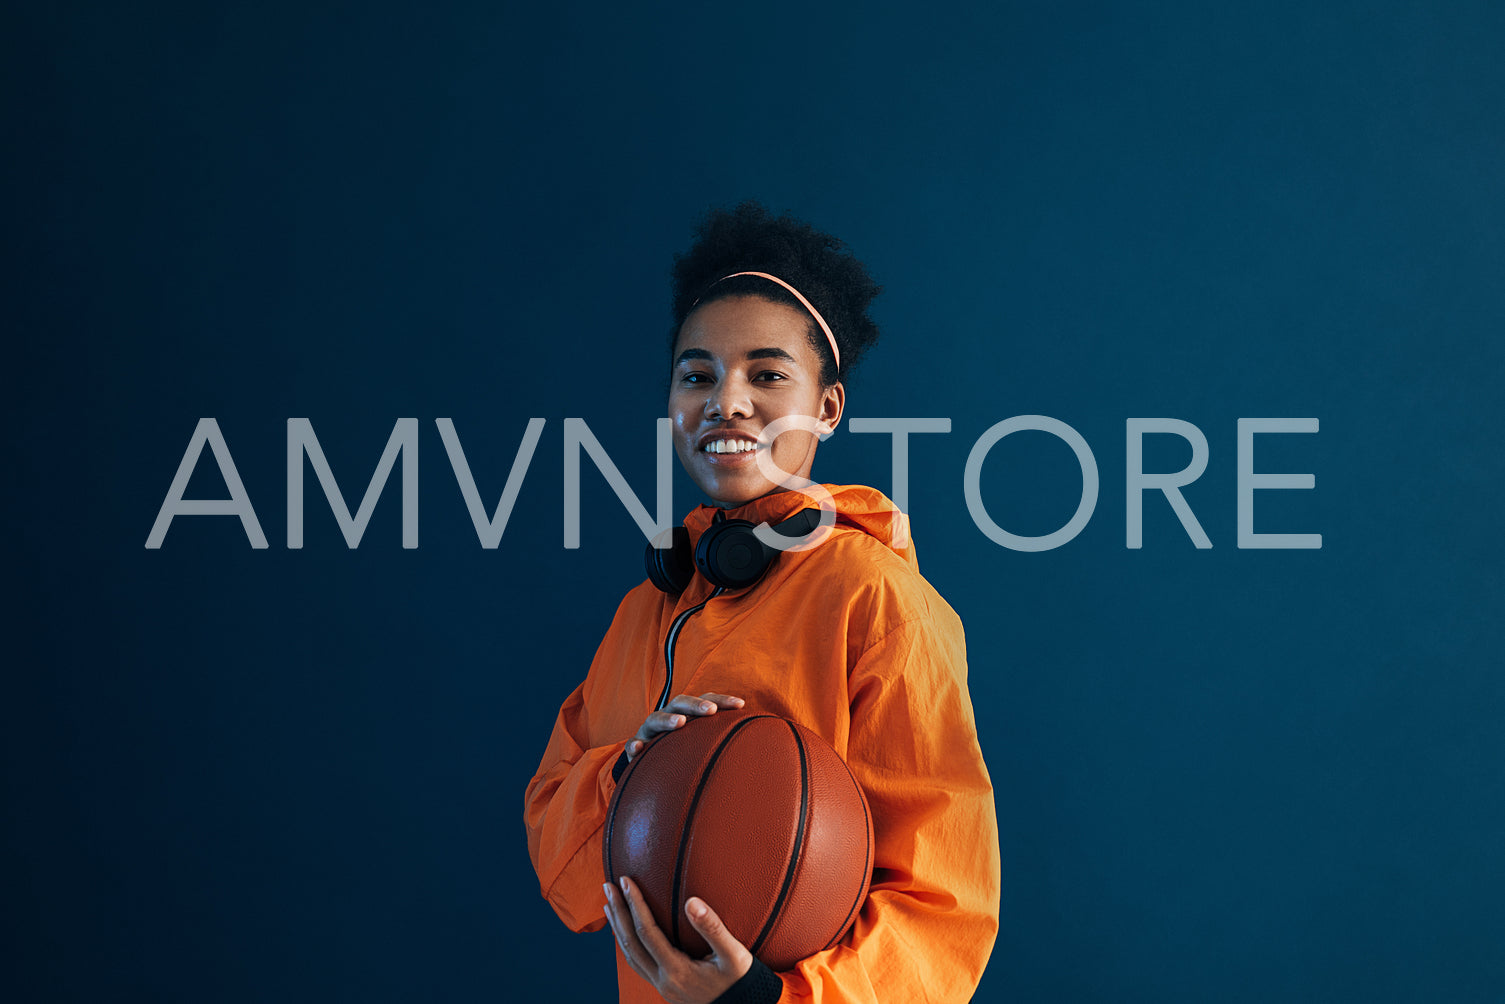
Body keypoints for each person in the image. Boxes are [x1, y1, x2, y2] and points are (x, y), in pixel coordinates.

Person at [524, 201, 1000, 1004]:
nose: (727, 402)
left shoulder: (878, 601)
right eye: (697, 374)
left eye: (768, 375)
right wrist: (626, 776)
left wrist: (769, 1000)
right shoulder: (647, 608)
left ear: (827, 408)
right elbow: (559, 861)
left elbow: (947, 906)